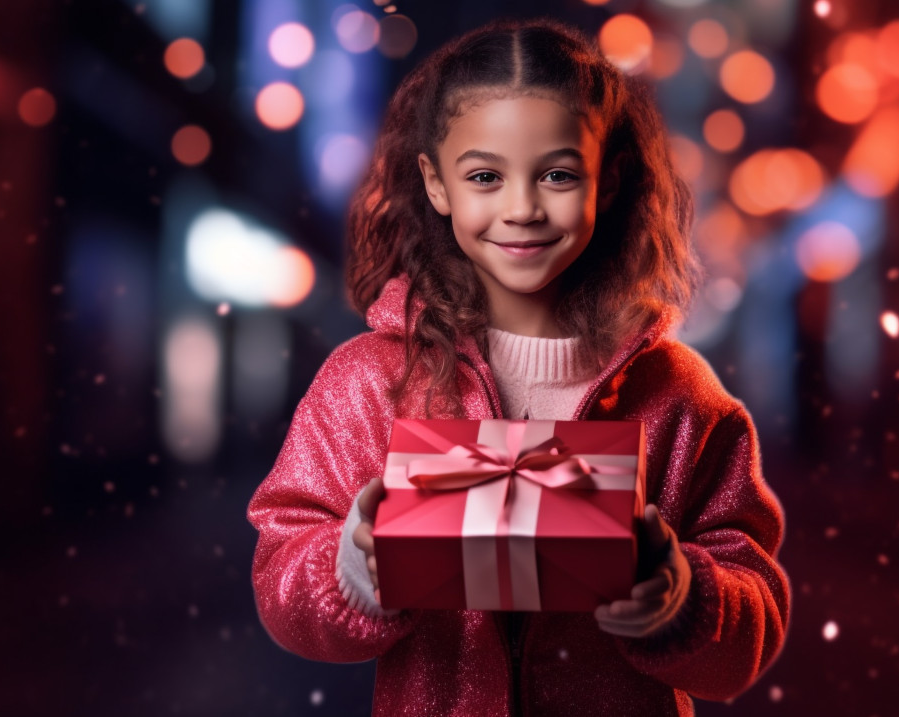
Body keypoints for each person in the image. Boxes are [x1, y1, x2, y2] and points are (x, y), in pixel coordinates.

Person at [247, 17, 790, 716]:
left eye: (558, 174)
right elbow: (281, 575)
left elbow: (753, 613)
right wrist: (353, 567)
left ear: (610, 179)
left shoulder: (678, 395)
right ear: (435, 184)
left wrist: (682, 596)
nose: (523, 207)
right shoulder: (369, 381)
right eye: (484, 176)